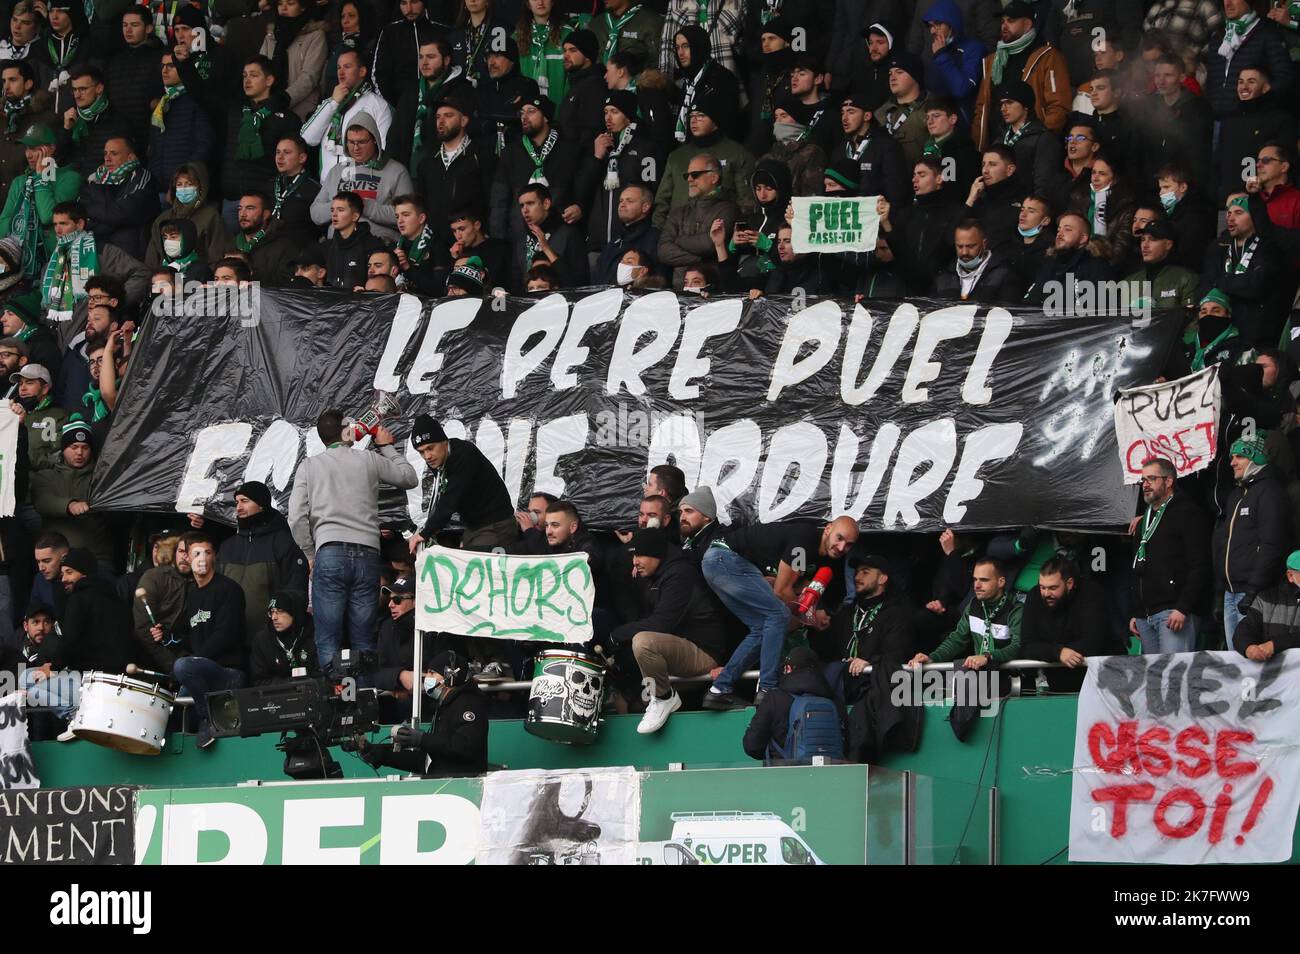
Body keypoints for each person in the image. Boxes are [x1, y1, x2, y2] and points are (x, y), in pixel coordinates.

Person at [288, 408, 418, 668]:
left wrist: (310, 555)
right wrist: (387, 446)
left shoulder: (310, 466)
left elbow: (295, 517)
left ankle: (334, 703)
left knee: (327, 640)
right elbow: (409, 478)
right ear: (346, 430)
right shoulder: (368, 459)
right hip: (367, 555)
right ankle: (365, 702)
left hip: (330, 553)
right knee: (363, 640)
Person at [702, 516, 859, 709]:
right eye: (839, 538)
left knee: (763, 627)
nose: (842, 547)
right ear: (827, 529)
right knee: (778, 616)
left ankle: (718, 690)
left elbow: (781, 583)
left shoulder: (808, 550)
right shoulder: (806, 540)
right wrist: (809, 617)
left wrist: (808, 608)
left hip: (718, 563)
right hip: (723, 559)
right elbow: (781, 590)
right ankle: (767, 689)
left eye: (849, 545)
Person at [610, 528, 728, 733]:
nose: (635, 562)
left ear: (656, 554)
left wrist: (616, 635)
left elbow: (660, 624)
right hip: (680, 645)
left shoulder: (680, 573)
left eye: (640, 555)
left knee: (642, 641)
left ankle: (663, 698)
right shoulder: (655, 575)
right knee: (630, 646)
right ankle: (639, 698)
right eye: (633, 556)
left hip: (704, 651)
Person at [23, 546, 132, 737]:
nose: (63, 578)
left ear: (84, 574)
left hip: (90, 684)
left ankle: (76, 716)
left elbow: (70, 642)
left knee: (25, 679)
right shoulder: (116, 599)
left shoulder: (79, 599)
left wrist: (53, 667)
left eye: (69, 572)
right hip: (118, 683)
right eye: (63, 573)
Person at [161, 536, 248, 749]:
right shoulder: (191, 593)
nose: (202, 558)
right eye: (197, 553)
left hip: (229, 673)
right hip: (203, 671)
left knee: (182, 666)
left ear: (214, 558)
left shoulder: (229, 589)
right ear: (187, 558)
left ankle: (210, 718)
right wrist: (172, 639)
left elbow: (225, 636)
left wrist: (192, 661)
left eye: (207, 553)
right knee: (172, 718)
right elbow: (198, 638)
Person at [1213, 435, 1292, 642]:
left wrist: (1253, 590)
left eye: (1239, 456)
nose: (1232, 462)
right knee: (1236, 664)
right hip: (1231, 593)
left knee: (1253, 662)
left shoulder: (1270, 491)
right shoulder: (1236, 495)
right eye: (1232, 456)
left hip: (1254, 594)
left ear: (1255, 457)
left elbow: (1272, 545)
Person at [407, 413, 517, 552]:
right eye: (421, 452)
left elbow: (450, 499)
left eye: (430, 448)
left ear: (444, 441)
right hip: (474, 526)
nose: (427, 456)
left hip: (496, 525)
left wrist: (425, 533)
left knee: (476, 568)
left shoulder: (464, 454)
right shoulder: (438, 460)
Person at [218, 480, 309, 644]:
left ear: (261, 505)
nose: (238, 507)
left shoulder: (283, 543)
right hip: (230, 644)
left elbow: (296, 593)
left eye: (245, 501)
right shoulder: (227, 547)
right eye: (237, 502)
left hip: (271, 644)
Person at [971, 0, 1071, 148]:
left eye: (1011, 21)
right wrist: (979, 143)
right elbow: (982, 107)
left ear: (1027, 24)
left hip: (1030, 148)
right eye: (1003, 21)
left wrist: (1038, 140)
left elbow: (1059, 107)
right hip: (995, 146)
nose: (1004, 26)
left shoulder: (1048, 57)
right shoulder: (993, 60)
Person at [383, 650, 490, 776]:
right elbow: (429, 760)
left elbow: (464, 747)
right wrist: (382, 754)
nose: (427, 678)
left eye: (432, 673)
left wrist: (422, 739)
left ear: (451, 676)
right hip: (442, 785)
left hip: (460, 786)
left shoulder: (469, 703)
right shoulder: (444, 704)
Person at [910, 557, 1022, 676]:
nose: (977, 585)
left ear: (1001, 582)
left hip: (1012, 679)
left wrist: (988, 657)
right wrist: (932, 659)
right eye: (975, 579)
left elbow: (1018, 646)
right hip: (982, 678)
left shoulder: (1015, 609)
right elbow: (957, 640)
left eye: (984, 580)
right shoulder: (973, 605)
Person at [824, 552, 914, 701]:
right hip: (840, 687)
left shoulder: (896, 614)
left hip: (874, 691)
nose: (857, 577)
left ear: (882, 579)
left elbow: (898, 654)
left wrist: (870, 662)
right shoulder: (846, 613)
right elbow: (827, 650)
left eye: (865, 572)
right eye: (857, 572)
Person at [0, 123, 82, 280]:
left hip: (49, 260)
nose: (29, 155)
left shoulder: (70, 178)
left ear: (50, 149)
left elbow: (47, 216)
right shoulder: (19, 181)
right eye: (27, 149)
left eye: (34, 148)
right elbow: (2, 223)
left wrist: (41, 178)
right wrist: (25, 224)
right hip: (13, 253)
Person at [30, 416, 113, 570]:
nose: (80, 452)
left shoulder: (102, 479)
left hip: (96, 562)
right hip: (56, 566)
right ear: (64, 448)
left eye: (85, 447)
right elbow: (42, 501)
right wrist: (69, 505)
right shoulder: (47, 476)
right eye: (74, 447)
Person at [1019, 557, 1110, 692]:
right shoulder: (1034, 596)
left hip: (1100, 680)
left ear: (1070, 583)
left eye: (1053, 588)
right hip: (1059, 681)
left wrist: (1056, 651)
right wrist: (1058, 652)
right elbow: (1027, 646)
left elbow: (1094, 643)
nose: (1046, 594)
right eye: (1042, 587)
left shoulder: (1092, 593)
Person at [741, 646, 845, 762]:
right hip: (831, 773)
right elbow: (846, 741)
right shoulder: (834, 700)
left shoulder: (774, 698)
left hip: (786, 774)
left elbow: (752, 745)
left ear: (788, 669)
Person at [301, 48, 392, 177]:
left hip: (360, 184)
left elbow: (381, 150)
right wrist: (333, 103)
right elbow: (307, 138)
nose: (341, 72)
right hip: (328, 185)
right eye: (338, 68)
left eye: (347, 67)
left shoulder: (378, 104)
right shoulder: (330, 102)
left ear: (362, 71)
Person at [658, 152, 736, 288]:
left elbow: (710, 244)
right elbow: (663, 252)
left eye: (695, 175)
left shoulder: (728, 209)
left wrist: (678, 240)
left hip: (712, 293)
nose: (689, 179)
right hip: (680, 292)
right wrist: (705, 258)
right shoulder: (679, 212)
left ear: (714, 178)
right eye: (687, 175)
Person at [132, 529, 196, 675]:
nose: (185, 557)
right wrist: (172, 666)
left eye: (191, 552)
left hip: (188, 660)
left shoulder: (201, 583)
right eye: (181, 551)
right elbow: (144, 629)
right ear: (173, 552)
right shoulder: (154, 577)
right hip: (151, 664)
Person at [510, 182, 588, 290]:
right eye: (522, 205)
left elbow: (580, 281)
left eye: (530, 203)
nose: (525, 210)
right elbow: (517, 282)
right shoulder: (521, 239)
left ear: (546, 204)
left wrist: (546, 248)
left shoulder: (569, 234)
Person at [1232, 550, 1300, 660]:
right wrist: (1249, 648)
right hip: (1270, 674)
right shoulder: (1266, 598)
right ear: (1290, 575)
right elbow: (1247, 628)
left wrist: (1275, 645)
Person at [250, 588, 320, 685]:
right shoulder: (262, 640)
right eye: (272, 612)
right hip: (276, 696)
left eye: (280, 611)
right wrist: (289, 684)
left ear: (294, 612)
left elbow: (322, 674)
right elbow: (259, 680)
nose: (274, 617)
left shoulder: (315, 633)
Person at [594, 183, 659, 284]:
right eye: (621, 200)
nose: (622, 204)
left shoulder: (653, 238)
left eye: (630, 201)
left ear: (645, 207)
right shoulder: (617, 237)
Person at [322, 191, 387, 289]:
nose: (334, 214)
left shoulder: (373, 245)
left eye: (340, 210)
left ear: (355, 216)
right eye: (332, 210)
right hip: (330, 302)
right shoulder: (326, 246)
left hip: (362, 302)